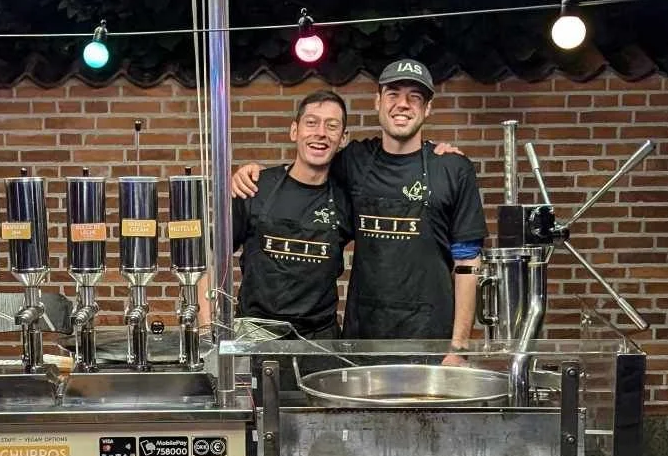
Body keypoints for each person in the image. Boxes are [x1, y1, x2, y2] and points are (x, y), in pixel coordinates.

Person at [232, 60, 485, 356]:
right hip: (361, 339)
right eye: (393, 94)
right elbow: (307, 162)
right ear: (378, 102)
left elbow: (468, 261)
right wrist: (251, 172)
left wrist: (458, 347)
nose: (402, 104)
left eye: (414, 97)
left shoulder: (453, 168)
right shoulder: (354, 160)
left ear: (427, 108)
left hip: (430, 337)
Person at [202, 90, 355, 339]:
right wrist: (206, 330)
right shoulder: (255, 187)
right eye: (311, 122)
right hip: (254, 336)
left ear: (344, 138)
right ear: (294, 131)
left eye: (332, 125)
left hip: (319, 342)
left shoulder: (347, 199)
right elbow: (209, 254)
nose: (321, 133)